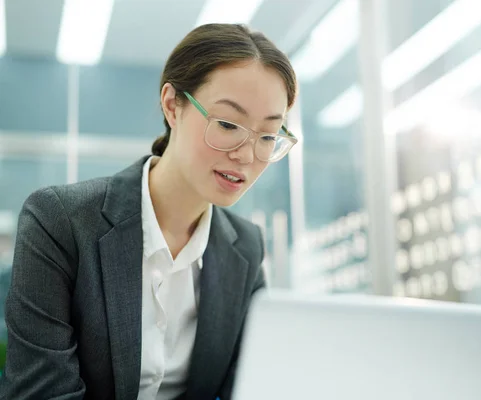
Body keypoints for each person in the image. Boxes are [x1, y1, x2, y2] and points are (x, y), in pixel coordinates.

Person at [0, 23, 298, 400]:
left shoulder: (246, 247)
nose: (246, 155)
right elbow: (42, 393)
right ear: (173, 105)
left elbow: (246, 384)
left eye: (268, 137)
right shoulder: (60, 222)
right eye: (227, 124)